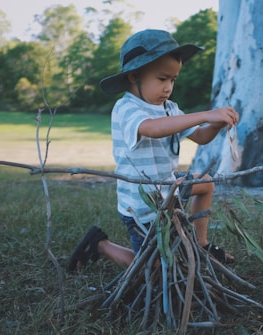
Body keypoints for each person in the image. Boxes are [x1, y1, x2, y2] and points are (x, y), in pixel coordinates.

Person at [67, 29, 238, 272]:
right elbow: (152, 128)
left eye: (173, 80)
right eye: (162, 79)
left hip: (168, 188)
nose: (168, 87)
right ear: (134, 76)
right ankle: (101, 245)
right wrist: (204, 114)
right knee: (154, 270)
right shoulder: (126, 108)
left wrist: (216, 124)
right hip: (142, 203)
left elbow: (200, 137)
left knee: (206, 182)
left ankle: (201, 245)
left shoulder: (170, 108)